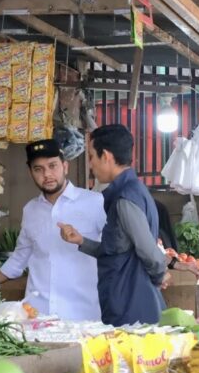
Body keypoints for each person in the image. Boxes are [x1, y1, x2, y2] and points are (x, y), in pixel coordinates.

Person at [0, 139, 105, 321]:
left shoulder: (95, 203)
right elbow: (19, 257)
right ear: (30, 172)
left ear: (65, 167)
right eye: (38, 169)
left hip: (82, 315)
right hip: (38, 315)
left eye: (52, 166)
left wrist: (82, 241)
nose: (47, 174)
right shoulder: (31, 210)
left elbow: (113, 252)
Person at [58, 124, 169, 326]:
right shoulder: (132, 190)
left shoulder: (125, 199)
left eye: (92, 156)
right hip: (125, 302)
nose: (90, 164)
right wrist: (82, 241)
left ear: (106, 156)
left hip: (131, 308)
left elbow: (149, 252)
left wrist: (159, 276)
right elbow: (117, 250)